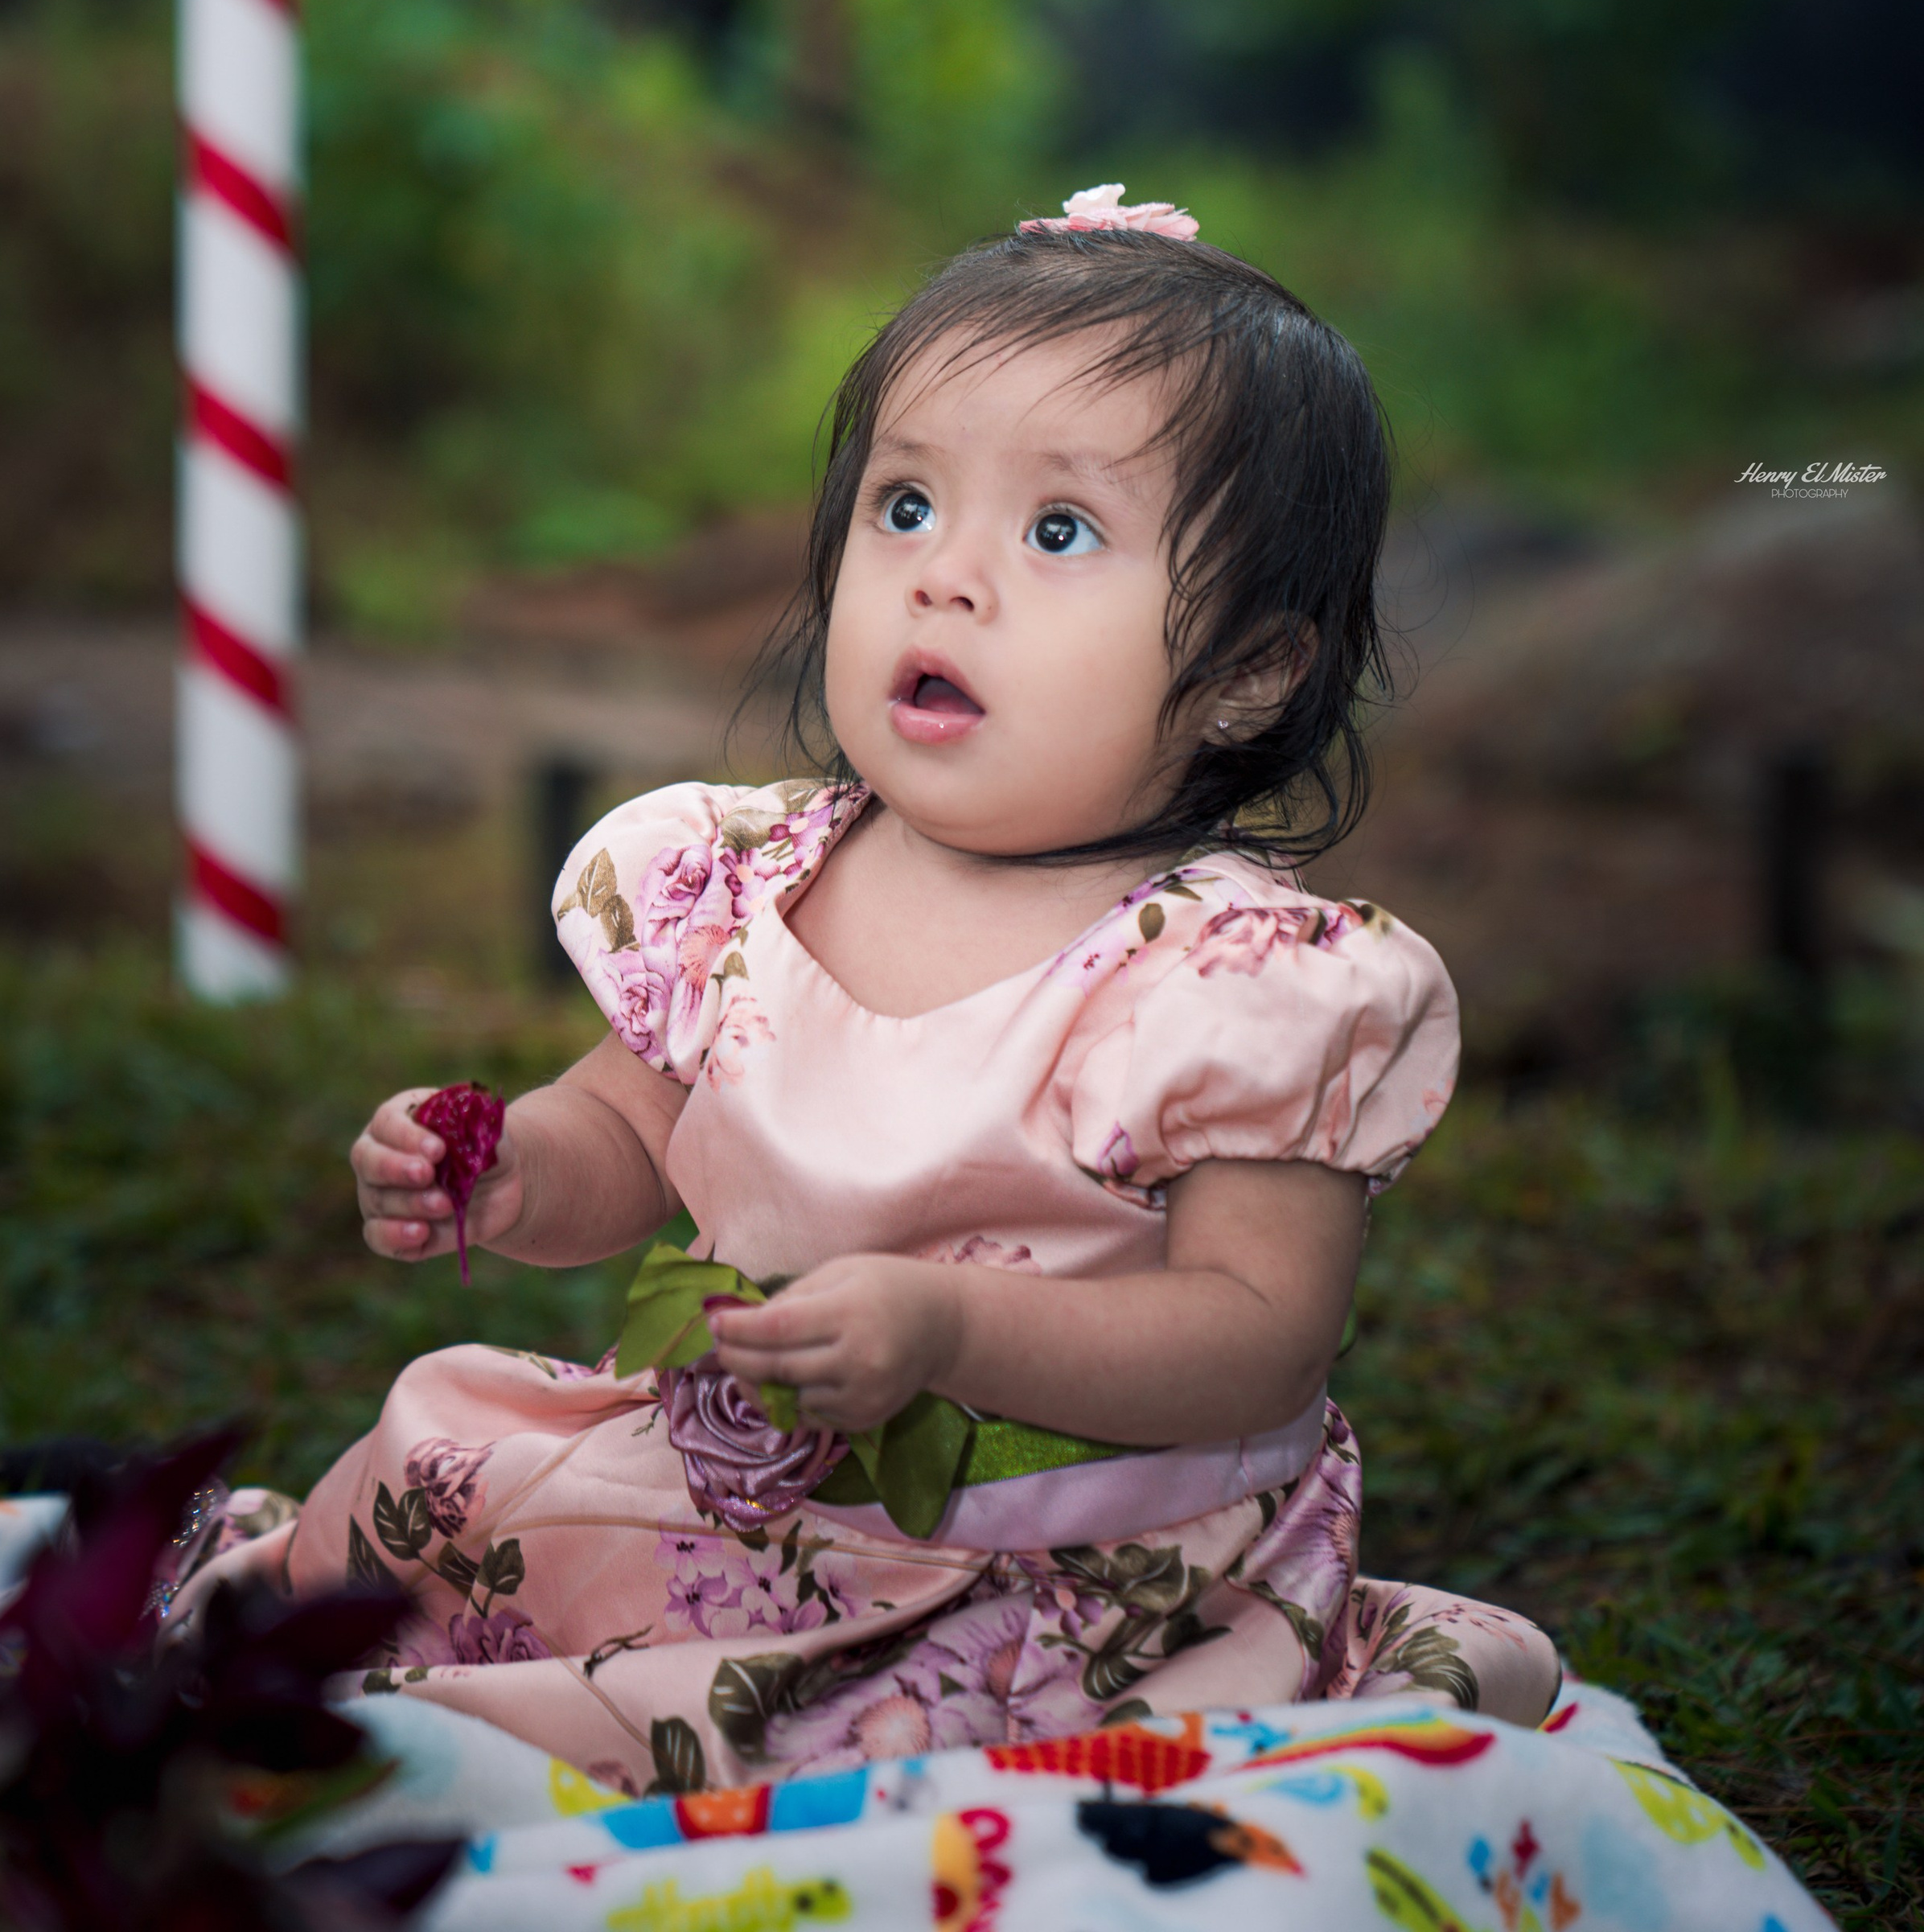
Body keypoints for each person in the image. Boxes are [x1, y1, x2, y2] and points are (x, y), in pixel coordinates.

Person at [169, 191, 1558, 1786]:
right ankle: (279, 1682)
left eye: (1055, 533)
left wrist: (948, 1325)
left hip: (1062, 1572)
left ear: (1250, 668)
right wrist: (502, 1167)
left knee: (837, 1753)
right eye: (903, 507)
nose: (942, 578)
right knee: (438, 1456)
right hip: (737, 1498)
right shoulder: (745, 881)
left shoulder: (1233, 982)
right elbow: (626, 1139)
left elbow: (1257, 1335)